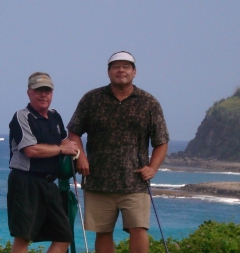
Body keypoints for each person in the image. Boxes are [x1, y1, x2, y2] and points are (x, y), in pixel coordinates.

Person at [67, 51, 169, 253]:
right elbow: (73, 131)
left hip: (135, 181)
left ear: (134, 72)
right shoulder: (92, 99)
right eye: (116, 66)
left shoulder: (148, 102)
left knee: (138, 229)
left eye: (126, 66)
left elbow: (162, 141)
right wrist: (82, 157)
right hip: (98, 179)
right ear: (108, 72)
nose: (121, 70)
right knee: (103, 232)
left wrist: (153, 167)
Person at [7, 72, 79, 253]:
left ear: (52, 93)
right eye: (38, 91)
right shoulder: (22, 116)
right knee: (23, 237)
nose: (43, 95)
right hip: (25, 182)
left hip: (49, 184)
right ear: (29, 93)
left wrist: (70, 147)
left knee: (63, 237)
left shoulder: (55, 116)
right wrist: (62, 149)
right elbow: (31, 150)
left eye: (47, 91)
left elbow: (63, 141)